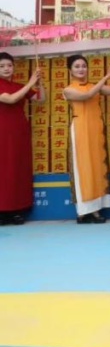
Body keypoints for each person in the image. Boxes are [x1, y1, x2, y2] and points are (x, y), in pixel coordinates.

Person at [63, 54, 110, 224]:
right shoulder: (68, 89)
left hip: (96, 129)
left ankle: (96, 209)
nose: (81, 69)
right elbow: (87, 95)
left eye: (84, 66)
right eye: (77, 66)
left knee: (96, 166)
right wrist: (107, 75)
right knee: (83, 168)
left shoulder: (94, 86)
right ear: (70, 70)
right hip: (80, 130)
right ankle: (83, 211)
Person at [0, 54, 44, 225]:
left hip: (19, 132)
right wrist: (31, 82)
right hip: (2, 132)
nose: (6, 68)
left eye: (9, 65)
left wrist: (40, 83)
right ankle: (2, 210)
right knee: (4, 170)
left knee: (19, 168)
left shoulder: (19, 86)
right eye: (2, 66)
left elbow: (40, 99)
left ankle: (17, 209)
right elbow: (10, 99)